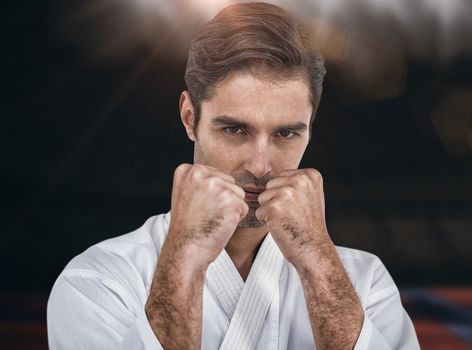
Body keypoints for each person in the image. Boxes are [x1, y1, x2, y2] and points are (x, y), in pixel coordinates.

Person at [46, 2, 419, 349]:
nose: (260, 166)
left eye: (286, 134)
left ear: (310, 128)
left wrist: (318, 259)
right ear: (190, 118)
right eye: (235, 130)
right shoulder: (99, 281)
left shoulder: (364, 282)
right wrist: (184, 263)